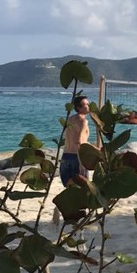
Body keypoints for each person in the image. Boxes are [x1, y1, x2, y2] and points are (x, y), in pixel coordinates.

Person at [53, 95, 91, 225]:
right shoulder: (83, 121)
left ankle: (60, 212)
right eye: (86, 104)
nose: (89, 106)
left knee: (69, 189)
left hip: (65, 157)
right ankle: (79, 219)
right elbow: (80, 142)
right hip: (77, 157)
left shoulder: (70, 119)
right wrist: (82, 161)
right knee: (82, 190)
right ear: (79, 108)